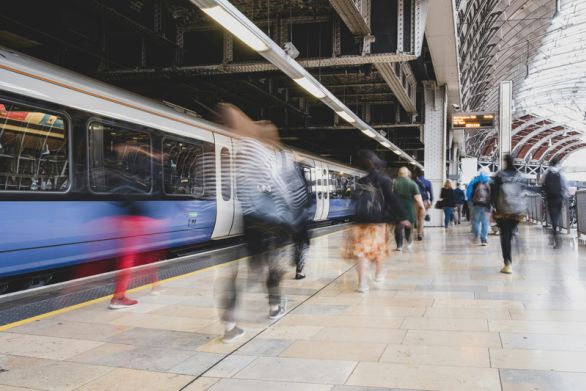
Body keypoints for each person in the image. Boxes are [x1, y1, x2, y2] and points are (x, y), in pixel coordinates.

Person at [218, 104, 292, 343]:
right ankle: (274, 308)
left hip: (248, 220)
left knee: (243, 274)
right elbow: (280, 189)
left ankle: (230, 324)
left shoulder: (241, 150)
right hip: (271, 221)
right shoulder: (263, 152)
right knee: (273, 267)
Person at [346, 150, 409, 292]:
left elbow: (353, 202)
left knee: (361, 253)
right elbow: (393, 200)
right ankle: (379, 274)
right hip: (377, 223)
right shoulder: (384, 180)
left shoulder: (361, 181)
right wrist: (403, 217)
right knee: (378, 250)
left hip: (360, 222)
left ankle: (362, 283)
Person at [491, 154, 527, 274]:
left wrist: (494, 206)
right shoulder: (519, 175)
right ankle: (516, 241)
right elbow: (524, 191)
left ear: (505, 161)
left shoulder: (500, 175)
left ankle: (507, 263)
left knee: (505, 235)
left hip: (504, 210)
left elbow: (493, 192)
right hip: (517, 211)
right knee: (511, 230)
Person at [393, 167, 425, 251]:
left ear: (398, 174)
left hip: (397, 210)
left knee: (398, 229)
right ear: (407, 174)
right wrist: (422, 207)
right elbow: (418, 199)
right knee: (409, 228)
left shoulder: (394, 183)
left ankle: (399, 246)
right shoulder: (412, 184)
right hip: (409, 210)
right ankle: (409, 242)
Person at [541, 157, 569, 249]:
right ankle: (555, 233)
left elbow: (541, 182)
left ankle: (554, 233)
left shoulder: (546, 172)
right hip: (559, 198)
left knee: (553, 218)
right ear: (557, 163)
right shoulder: (560, 173)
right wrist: (565, 195)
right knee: (556, 216)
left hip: (550, 198)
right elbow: (565, 185)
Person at [467, 168, 491, 246]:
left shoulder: (474, 181)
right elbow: (494, 194)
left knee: (475, 221)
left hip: (476, 204)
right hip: (487, 205)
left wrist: (471, 201)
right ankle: (484, 240)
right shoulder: (490, 182)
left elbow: (468, 193)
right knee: (485, 223)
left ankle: (476, 234)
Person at [414, 168, 433, 240]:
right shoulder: (427, 182)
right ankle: (420, 234)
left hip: (415, 201)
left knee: (416, 218)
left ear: (416, 174)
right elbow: (431, 193)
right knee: (421, 218)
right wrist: (430, 202)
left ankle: (417, 231)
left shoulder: (413, 182)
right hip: (424, 201)